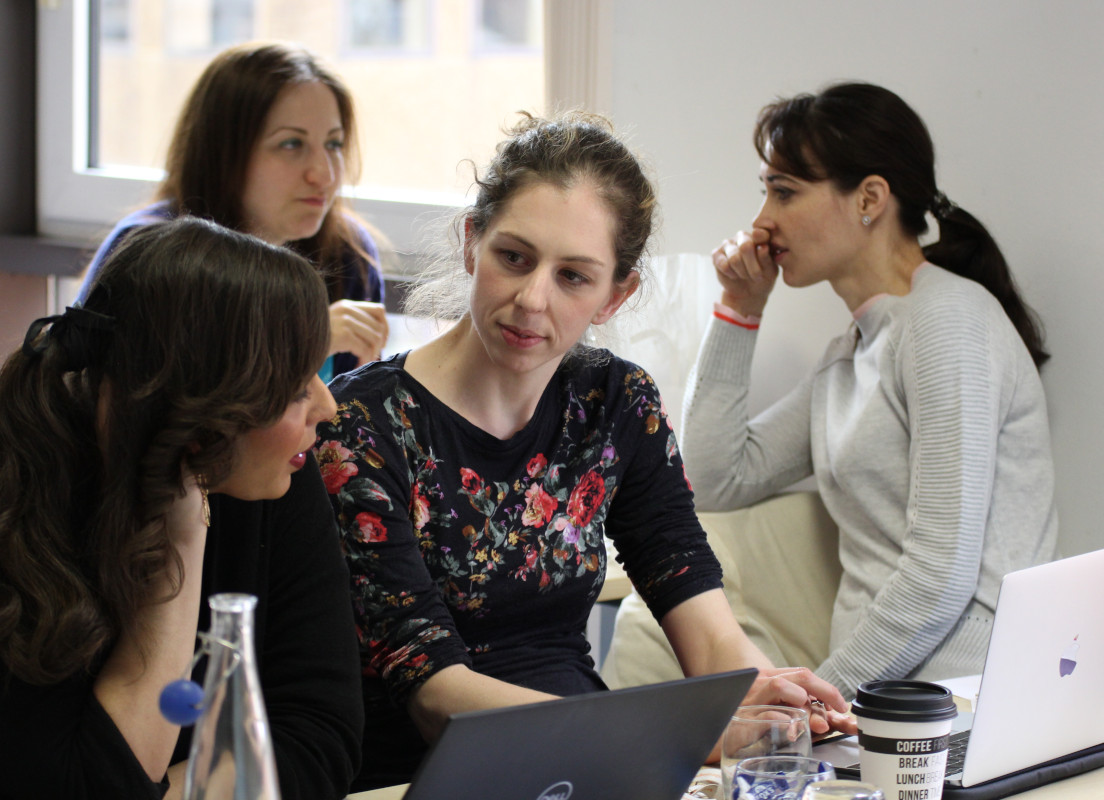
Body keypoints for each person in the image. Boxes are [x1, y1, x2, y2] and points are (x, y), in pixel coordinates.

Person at [313, 111, 854, 790]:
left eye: (573, 276)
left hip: (593, 766)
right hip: (414, 779)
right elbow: (436, 696)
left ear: (615, 294)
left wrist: (766, 699)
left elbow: (701, 614)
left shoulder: (616, 401)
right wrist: (655, 739)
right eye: (514, 257)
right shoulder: (361, 425)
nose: (532, 299)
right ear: (470, 243)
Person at [0, 218, 363, 800]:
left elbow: (323, 738)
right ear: (205, 413)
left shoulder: (275, 471)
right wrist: (184, 537)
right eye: (297, 388)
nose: (329, 407)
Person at [681, 82, 1058, 699]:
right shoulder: (852, 353)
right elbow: (715, 478)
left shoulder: (947, 322)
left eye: (784, 192)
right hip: (882, 698)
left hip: (962, 698)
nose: (761, 221)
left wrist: (818, 701)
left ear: (870, 199)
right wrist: (738, 309)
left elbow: (940, 574)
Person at [76, 41, 389, 381]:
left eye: (334, 144)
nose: (324, 174)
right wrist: (306, 342)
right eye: (291, 144)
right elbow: (144, 417)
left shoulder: (347, 256)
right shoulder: (149, 252)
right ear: (223, 153)